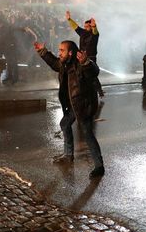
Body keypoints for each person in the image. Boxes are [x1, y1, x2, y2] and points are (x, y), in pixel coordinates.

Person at [34, 40, 105, 178]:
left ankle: (99, 166)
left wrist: (86, 62)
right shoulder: (63, 64)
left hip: (84, 105)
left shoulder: (80, 64)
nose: (59, 53)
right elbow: (54, 63)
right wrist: (43, 52)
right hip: (74, 103)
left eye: (62, 50)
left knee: (87, 134)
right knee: (65, 124)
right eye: (59, 50)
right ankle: (68, 155)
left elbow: (94, 71)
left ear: (70, 52)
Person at [66, 11, 104, 98]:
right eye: (85, 26)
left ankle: (99, 90)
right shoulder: (82, 32)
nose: (85, 27)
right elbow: (75, 27)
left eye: (87, 26)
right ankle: (83, 90)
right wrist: (69, 19)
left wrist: (94, 26)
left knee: (92, 74)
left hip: (91, 58)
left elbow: (95, 31)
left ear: (91, 27)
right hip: (81, 57)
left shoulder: (94, 34)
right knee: (81, 73)